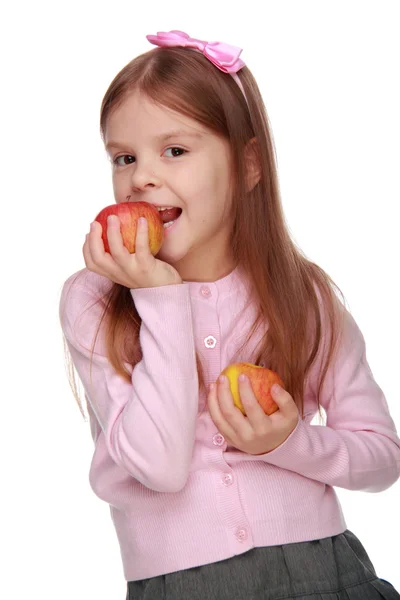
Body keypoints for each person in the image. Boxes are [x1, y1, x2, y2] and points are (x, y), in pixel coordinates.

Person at [59, 30, 400, 600]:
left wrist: (288, 442)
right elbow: (159, 467)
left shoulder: (299, 293)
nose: (141, 175)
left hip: (325, 574)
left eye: (174, 150)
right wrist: (160, 296)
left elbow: (383, 458)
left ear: (247, 167)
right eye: (124, 157)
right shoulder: (95, 301)